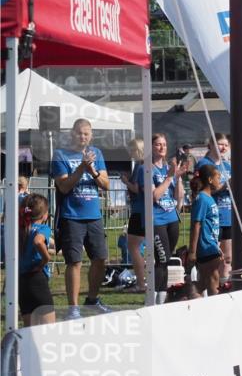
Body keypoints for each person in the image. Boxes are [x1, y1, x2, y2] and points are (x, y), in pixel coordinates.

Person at [51, 118, 113, 319]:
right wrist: (81, 168)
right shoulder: (60, 155)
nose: (83, 136)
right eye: (79, 133)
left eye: (86, 133)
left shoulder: (97, 153)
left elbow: (106, 184)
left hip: (94, 215)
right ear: (72, 133)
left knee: (100, 258)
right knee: (74, 262)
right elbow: (64, 186)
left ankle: (92, 300)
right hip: (72, 216)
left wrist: (92, 169)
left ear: (91, 135)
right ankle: (73, 308)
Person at [139, 133, 186, 304]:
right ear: (151, 147)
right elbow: (154, 196)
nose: (162, 147)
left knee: (166, 260)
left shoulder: (168, 168)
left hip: (171, 218)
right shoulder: (147, 168)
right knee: (161, 259)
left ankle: (163, 296)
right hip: (156, 219)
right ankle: (154, 298)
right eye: (158, 144)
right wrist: (169, 178)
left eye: (164, 144)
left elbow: (178, 196)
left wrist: (178, 176)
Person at [195, 133, 233, 283]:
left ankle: (224, 285)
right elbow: (203, 190)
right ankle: (208, 285)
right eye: (219, 144)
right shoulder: (204, 164)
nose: (223, 147)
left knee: (227, 257)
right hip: (212, 216)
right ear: (210, 145)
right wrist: (224, 186)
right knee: (213, 257)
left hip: (228, 215)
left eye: (225, 144)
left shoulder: (228, 166)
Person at [188, 164, 224, 296]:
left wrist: (217, 246)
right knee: (213, 280)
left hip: (211, 245)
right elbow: (196, 225)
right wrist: (192, 251)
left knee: (204, 282)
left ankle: (184, 298)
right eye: (218, 177)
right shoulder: (202, 199)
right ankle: (215, 311)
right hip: (205, 246)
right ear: (210, 180)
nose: (219, 181)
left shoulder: (209, 198)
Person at [19, 194, 55, 326]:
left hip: (21, 281)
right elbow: (38, 242)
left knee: (29, 331)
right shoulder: (42, 228)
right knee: (48, 330)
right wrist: (46, 259)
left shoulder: (19, 230)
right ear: (44, 215)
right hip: (37, 279)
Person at [123, 137, 147, 292]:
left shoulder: (140, 166)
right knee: (136, 246)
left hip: (139, 212)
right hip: (142, 211)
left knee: (133, 246)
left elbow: (137, 189)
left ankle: (141, 282)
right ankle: (144, 280)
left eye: (132, 150)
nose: (130, 153)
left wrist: (126, 182)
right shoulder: (143, 165)